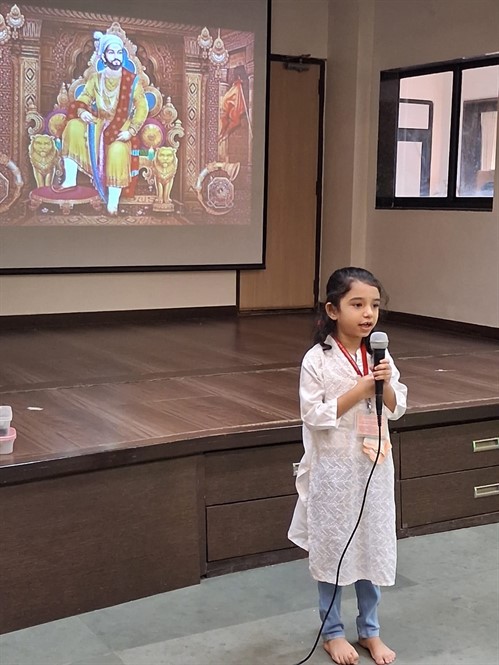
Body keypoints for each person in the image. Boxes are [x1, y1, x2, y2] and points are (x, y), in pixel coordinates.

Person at [288, 267, 407, 665]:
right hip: (334, 471)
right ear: (332, 310)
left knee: (372, 544)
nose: (368, 313)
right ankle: (332, 632)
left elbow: (398, 406)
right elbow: (313, 415)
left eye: (374, 305)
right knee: (334, 548)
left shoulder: (379, 353)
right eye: (357, 304)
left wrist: (384, 385)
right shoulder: (317, 359)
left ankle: (370, 630)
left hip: (374, 466)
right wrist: (360, 389)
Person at [59, 33, 148, 214]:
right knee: (72, 127)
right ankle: (70, 180)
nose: (116, 57)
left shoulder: (132, 81)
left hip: (121, 126)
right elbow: (84, 97)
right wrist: (82, 111)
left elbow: (142, 107)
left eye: (119, 52)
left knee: (117, 150)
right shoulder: (96, 78)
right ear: (104, 56)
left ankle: (112, 202)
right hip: (98, 123)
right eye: (111, 52)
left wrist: (131, 131)